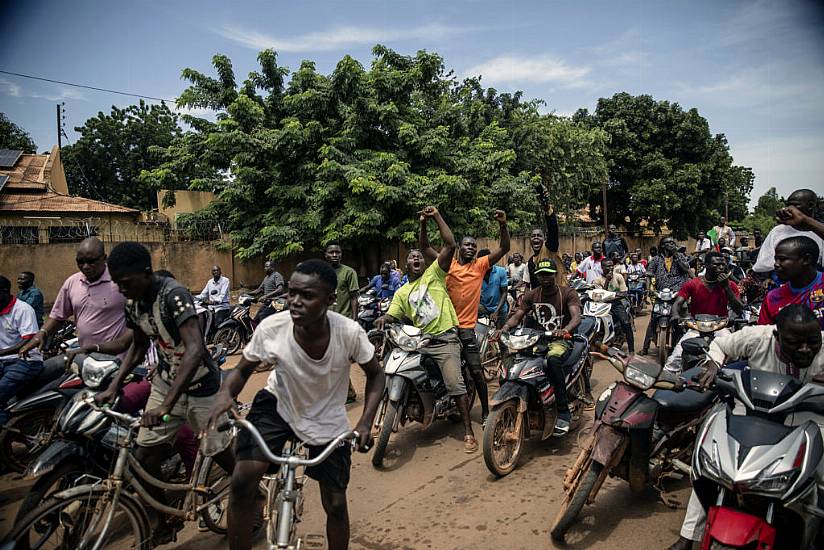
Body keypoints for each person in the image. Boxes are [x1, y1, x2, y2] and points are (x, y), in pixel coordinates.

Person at [207, 259, 384, 550]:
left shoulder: (349, 332)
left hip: (327, 416)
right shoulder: (272, 327)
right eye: (292, 293)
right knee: (242, 482)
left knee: (337, 502)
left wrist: (365, 422)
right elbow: (241, 371)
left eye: (307, 296)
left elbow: (377, 376)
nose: (295, 302)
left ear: (330, 300)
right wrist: (226, 394)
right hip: (279, 405)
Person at [94, 242, 234, 545]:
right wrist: (113, 386)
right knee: (144, 455)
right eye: (116, 282)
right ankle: (164, 520)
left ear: (146, 273)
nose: (120, 289)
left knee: (220, 452)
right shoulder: (134, 302)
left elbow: (195, 349)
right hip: (167, 382)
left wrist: (166, 406)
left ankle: (251, 491)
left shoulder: (174, 295)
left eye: (125, 282)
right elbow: (139, 346)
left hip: (201, 387)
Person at [668, 304, 824, 550]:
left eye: (813, 341)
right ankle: (689, 536)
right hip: (753, 411)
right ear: (777, 335)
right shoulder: (757, 337)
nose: (806, 349)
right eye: (796, 342)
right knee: (714, 462)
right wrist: (713, 365)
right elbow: (721, 345)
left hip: (806, 417)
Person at [376, 206, 478, 452]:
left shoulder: (435, 274)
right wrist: (383, 321)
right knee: (391, 364)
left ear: (425, 261)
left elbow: (450, 244)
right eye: (412, 257)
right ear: (405, 263)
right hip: (420, 341)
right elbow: (393, 314)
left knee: (455, 383)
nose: (416, 259)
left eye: (420, 256)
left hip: (445, 339)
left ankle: (468, 431)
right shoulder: (401, 292)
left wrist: (434, 218)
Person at [421, 210, 510, 427]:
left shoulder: (480, 266)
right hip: (444, 328)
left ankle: (486, 411)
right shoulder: (447, 264)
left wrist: (503, 225)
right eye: (467, 245)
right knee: (426, 361)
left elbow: (505, 248)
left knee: (476, 370)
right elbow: (424, 248)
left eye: (474, 246)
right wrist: (423, 224)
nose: (471, 248)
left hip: (467, 328)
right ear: (459, 247)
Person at [19, 237, 133, 368]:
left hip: (117, 360)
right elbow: (58, 316)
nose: (85, 266)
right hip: (85, 356)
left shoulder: (120, 282)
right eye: (80, 261)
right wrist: (41, 334)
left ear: (104, 258)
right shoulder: (72, 282)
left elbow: (140, 319)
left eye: (91, 262)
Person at [500, 259, 583, 434]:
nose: (545, 278)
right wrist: (505, 328)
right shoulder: (531, 295)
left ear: (555, 275)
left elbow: (576, 317)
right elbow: (518, 315)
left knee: (552, 361)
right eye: (541, 275)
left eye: (548, 274)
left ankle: (562, 412)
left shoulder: (567, 293)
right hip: (536, 339)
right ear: (537, 277)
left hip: (561, 340)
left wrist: (565, 330)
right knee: (514, 360)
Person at [663, 252, 743, 372]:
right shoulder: (693, 283)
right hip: (696, 327)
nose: (721, 268)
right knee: (675, 359)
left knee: (734, 355)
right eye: (716, 265)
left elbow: (739, 308)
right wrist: (675, 315)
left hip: (720, 327)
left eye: (723, 265)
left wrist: (726, 287)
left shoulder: (731, 285)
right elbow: (678, 303)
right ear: (706, 265)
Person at [0, 276, 43, 425]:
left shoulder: (23, 309)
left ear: (4, 292)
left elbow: (27, 342)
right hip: (4, 361)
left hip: (26, 361)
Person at [758, 236, 824, 329]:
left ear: (806, 259)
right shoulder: (772, 298)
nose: (776, 264)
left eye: (782, 259)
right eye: (776, 259)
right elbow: (765, 336)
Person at [641, 236, 692, 356]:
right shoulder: (656, 260)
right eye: (669, 243)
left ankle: (684, 342)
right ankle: (645, 346)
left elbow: (685, 269)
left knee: (683, 315)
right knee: (655, 316)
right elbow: (649, 274)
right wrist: (648, 289)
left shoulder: (680, 257)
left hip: (678, 292)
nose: (672, 244)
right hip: (662, 293)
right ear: (663, 246)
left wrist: (677, 256)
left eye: (673, 243)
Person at [753, 189, 824, 274]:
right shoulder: (778, 231)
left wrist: (805, 221)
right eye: (788, 205)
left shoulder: (819, 231)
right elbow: (764, 263)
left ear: (810, 206)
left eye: (795, 205)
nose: (789, 209)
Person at [325, 241, 360, 403]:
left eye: (337, 252)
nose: (334, 255)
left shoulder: (349, 272)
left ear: (341, 254)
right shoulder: (321, 273)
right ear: (325, 255)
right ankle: (348, 392)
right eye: (331, 252)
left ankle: (345, 393)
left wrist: (354, 319)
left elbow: (354, 297)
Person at [592, 259, 635, 354]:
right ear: (602, 267)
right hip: (603, 305)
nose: (611, 268)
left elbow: (624, 293)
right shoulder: (597, 280)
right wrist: (607, 280)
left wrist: (608, 296)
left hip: (616, 304)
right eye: (608, 266)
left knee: (626, 323)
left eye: (612, 265)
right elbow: (600, 295)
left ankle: (631, 350)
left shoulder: (619, 277)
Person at [478, 249, 510, 329]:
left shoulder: (501, 271)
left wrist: (496, 311)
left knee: (500, 334)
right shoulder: (476, 273)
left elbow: (504, 293)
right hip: (484, 307)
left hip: (499, 307)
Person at [195, 265, 231, 333]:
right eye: (214, 270)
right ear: (212, 272)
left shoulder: (225, 280)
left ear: (220, 272)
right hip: (211, 307)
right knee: (202, 317)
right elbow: (203, 294)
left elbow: (222, 295)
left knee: (216, 325)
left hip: (222, 307)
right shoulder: (210, 282)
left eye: (217, 270)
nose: (216, 272)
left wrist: (214, 301)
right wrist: (193, 297)